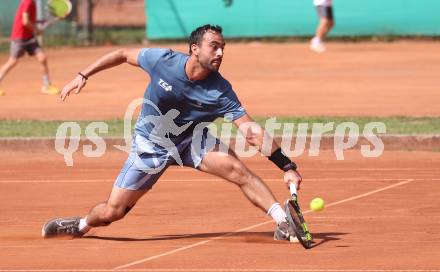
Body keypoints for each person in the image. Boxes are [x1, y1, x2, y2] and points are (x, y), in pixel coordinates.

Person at [41, 24, 303, 242]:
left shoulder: (221, 90)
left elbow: (252, 132)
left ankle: (283, 223)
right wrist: (82, 75)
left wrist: (286, 165)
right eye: (214, 46)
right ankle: (81, 225)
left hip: (192, 138)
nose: (220, 52)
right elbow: (122, 54)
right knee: (113, 211)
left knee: (238, 171)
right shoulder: (162, 60)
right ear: (195, 49)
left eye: (223, 47)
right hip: (151, 143)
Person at [0, 0, 59, 96]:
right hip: (19, 37)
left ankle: (46, 86)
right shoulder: (28, 1)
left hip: (30, 37)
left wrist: (47, 20)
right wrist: (37, 30)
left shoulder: (32, 2)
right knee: (12, 61)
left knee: (42, 58)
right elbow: (25, 21)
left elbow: (31, 20)